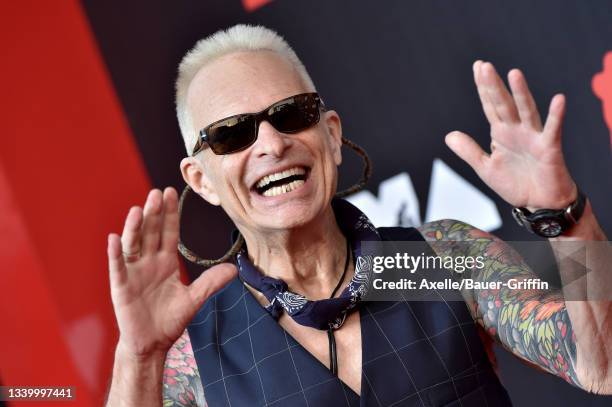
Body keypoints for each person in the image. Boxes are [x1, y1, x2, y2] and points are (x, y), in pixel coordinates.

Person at [104, 25, 611, 406]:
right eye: (232, 134)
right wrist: (138, 359)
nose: (274, 144)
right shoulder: (192, 353)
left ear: (329, 134)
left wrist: (563, 215)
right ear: (201, 180)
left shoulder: (435, 259)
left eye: (291, 115)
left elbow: (602, 365)